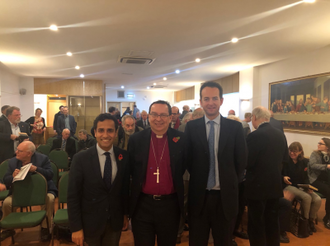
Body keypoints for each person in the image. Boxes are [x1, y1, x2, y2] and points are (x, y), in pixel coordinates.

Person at [185, 81, 247, 246]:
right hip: (200, 197)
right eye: (206, 99)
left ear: (221, 100)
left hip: (225, 198)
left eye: (214, 98)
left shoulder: (235, 127)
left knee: (224, 242)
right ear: (201, 102)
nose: (210, 102)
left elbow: (241, 160)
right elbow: (189, 160)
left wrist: (228, 178)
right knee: (197, 241)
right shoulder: (191, 127)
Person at [127, 100, 186, 246]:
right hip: (142, 204)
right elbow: (129, 171)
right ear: (149, 116)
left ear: (170, 117)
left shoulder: (181, 139)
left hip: (170, 206)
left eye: (163, 115)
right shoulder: (136, 139)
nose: (158, 119)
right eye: (154, 114)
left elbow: (186, 166)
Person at [68, 114, 129, 246]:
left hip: (114, 221)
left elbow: (124, 189)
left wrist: (125, 214)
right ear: (95, 132)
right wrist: (76, 227)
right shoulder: (80, 159)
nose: (105, 135)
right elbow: (73, 195)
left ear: (116, 132)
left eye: (110, 130)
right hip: (90, 222)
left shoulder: (123, 156)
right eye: (101, 130)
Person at [245, 106, 288, 246]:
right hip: (275, 184)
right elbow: (284, 158)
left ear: (255, 118)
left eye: (252, 118)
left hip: (257, 186)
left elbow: (248, 162)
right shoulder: (280, 134)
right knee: (272, 220)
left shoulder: (254, 136)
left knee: (256, 222)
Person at [2, 141, 57, 241]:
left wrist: (36, 169)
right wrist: (12, 176)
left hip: (43, 191)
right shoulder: (13, 162)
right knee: (6, 203)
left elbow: (50, 175)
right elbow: (5, 179)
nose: (16, 152)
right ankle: (8, 229)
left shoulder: (42, 159)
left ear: (29, 153)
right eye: (17, 150)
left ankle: (45, 227)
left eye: (19, 151)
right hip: (21, 192)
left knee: (50, 199)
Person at [283, 142, 321, 234]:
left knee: (317, 199)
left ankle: (311, 221)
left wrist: (308, 186)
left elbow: (306, 177)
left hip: (301, 186)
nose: (292, 153)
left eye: (295, 151)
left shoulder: (304, 161)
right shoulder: (285, 161)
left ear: (300, 152)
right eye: (290, 151)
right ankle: (305, 222)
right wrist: (283, 177)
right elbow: (281, 174)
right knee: (307, 197)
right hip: (289, 186)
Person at [308, 138, 330, 229]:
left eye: (321, 143)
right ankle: (327, 218)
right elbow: (312, 165)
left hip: (327, 180)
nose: (318, 145)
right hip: (315, 180)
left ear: (327, 146)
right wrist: (326, 166)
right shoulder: (315, 154)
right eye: (319, 143)